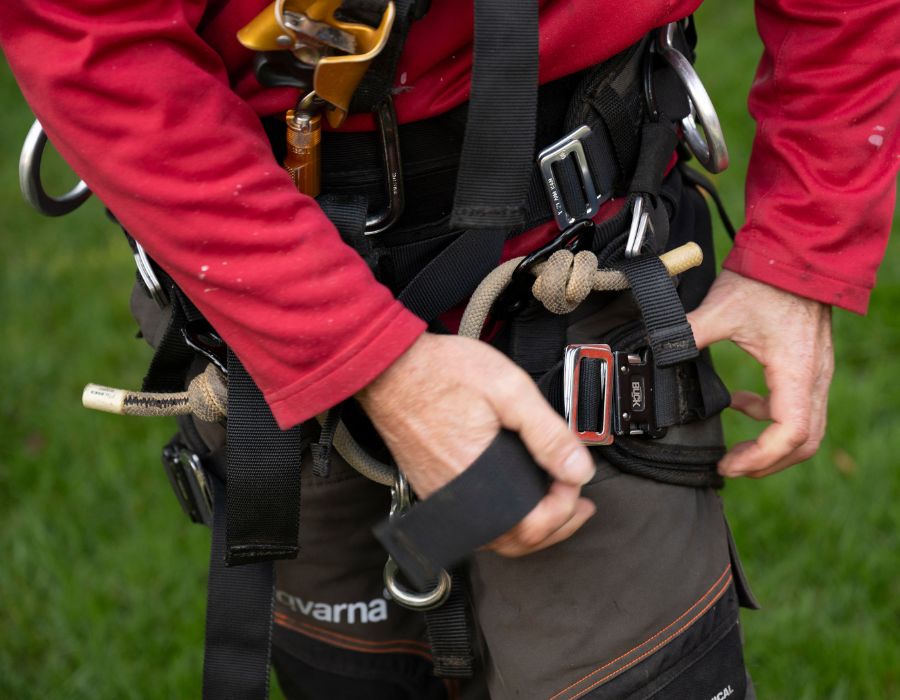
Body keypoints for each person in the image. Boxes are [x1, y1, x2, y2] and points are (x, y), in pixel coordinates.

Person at [1, 1, 896, 698]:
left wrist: (805, 247)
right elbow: (93, 39)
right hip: (265, 282)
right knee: (351, 673)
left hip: (588, 257)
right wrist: (359, 353)